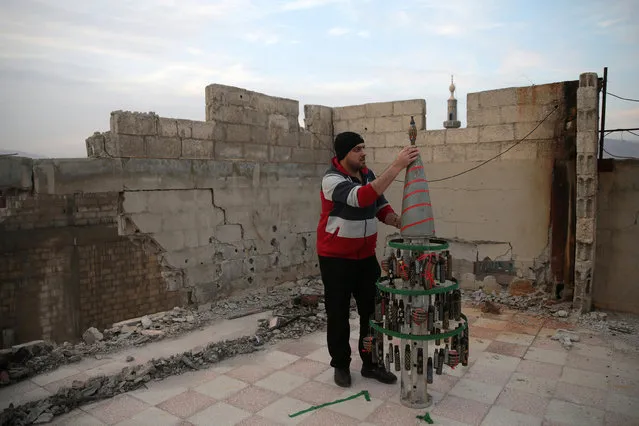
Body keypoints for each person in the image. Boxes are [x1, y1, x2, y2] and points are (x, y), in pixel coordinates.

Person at [316, 131, 419, 387]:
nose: (363, 153)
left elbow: (378, 203)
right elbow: (361, 198)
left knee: (373, 314)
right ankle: (340, 365)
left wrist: (395, 219)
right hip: (335, 258)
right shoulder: (332, 180)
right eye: (357, 149)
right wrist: (397, 165)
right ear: (344, 154)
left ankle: (371, 363)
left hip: (365, 258)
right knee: (338, 314)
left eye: (364, 147)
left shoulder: (368, 174)